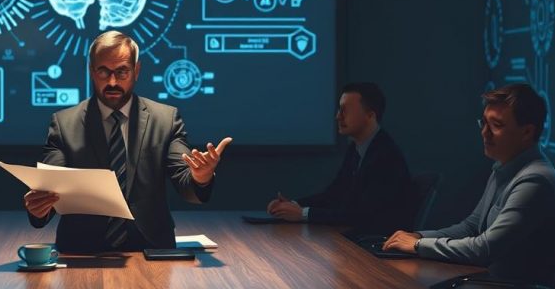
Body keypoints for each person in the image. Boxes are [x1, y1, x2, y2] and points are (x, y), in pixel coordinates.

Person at [23, 31, 233, 253]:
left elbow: (185, 183)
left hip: (152, 249)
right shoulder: (64, 124)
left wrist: (201, 177)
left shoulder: (166, 120)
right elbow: (50, 187)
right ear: (92, 71)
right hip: (81, 252)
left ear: (136, 71)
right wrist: (38, 207)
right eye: (103, 71)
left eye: (122, 71)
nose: (112, 82)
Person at [382, 84, 555, 279]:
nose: (484, 133)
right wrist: (419, 237)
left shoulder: (535, 181)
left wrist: (418, 246)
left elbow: (484, 249)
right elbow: (471, 227)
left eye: (496, 125)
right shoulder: (503, 167)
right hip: (485, 279)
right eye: (484, 123)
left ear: (527, 132)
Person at [266, 82, 416, 235]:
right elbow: (333, 194)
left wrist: (303, 213)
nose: (338, 116)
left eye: (345, 110)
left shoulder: (385, 156)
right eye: (339, 109)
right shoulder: (357, 148)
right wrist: (291, 205)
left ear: (370, 115)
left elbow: (360, 215)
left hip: (375, 243)